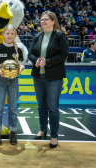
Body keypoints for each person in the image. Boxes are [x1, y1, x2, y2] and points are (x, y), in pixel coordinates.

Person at [28, 11, 68, 149]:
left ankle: (54, 136)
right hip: (38, 76)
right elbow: (30, 53)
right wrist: (36, 61)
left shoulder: (60, 36)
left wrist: (47, 62)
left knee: (52, 107)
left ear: (53, 21)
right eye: (41, 19)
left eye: (46, 19)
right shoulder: (37, 36)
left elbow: (63, 55)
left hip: (54, 77)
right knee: (41, 106)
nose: (43, 21)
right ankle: (42, 129)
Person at [0, 24, 25, 145]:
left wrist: (21, 68)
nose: (10, 35)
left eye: (12, 33)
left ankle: (13, 132)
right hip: (1, 78)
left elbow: (21, 64)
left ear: (15, 35)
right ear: (3, 34)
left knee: (13, 107)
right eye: (7, 33)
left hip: (14, 79)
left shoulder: (18, 49)